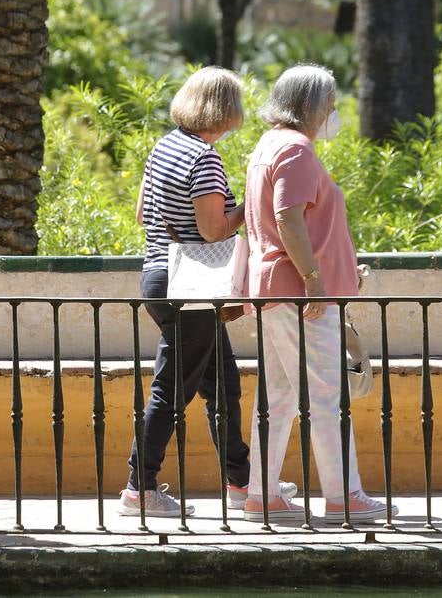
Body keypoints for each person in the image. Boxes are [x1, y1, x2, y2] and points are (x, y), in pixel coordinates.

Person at [120, 67, 294, 517]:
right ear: (224, 109)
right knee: (171, 389)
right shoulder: (204, 157)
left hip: (159, 277)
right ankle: (140, 488)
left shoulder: (164, 146)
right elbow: (213, 229)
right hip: (191, 286)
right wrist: (252, 208)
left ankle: (242, 482)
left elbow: (143, 214)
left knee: (223, 383)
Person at [242, 64, 391, 524]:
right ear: (309, 105)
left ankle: (262, 494)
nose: (333, 112)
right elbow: (288, 219)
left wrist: (334, 268)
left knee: (279, 395)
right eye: (329, 104)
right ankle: (344, 494)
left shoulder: (270, 146)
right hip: (301, 296)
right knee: (327, 393)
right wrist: (315, 282)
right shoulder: (297, 149)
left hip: (276, 291)